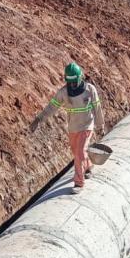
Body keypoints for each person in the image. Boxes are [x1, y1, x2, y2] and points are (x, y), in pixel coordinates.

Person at [30, 62, 105, 194]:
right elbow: (52, 107)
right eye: (70, 83)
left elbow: (97, 108)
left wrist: (100, 125)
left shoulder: (90, 89)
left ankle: (79, 182)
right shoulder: (64, 93)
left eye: (74, 82)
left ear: (80, 77)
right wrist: (39, 119)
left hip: (87, 125)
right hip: (73, 128)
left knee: (80, 152)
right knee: (77, 152)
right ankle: (88, 167)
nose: (72, 85)